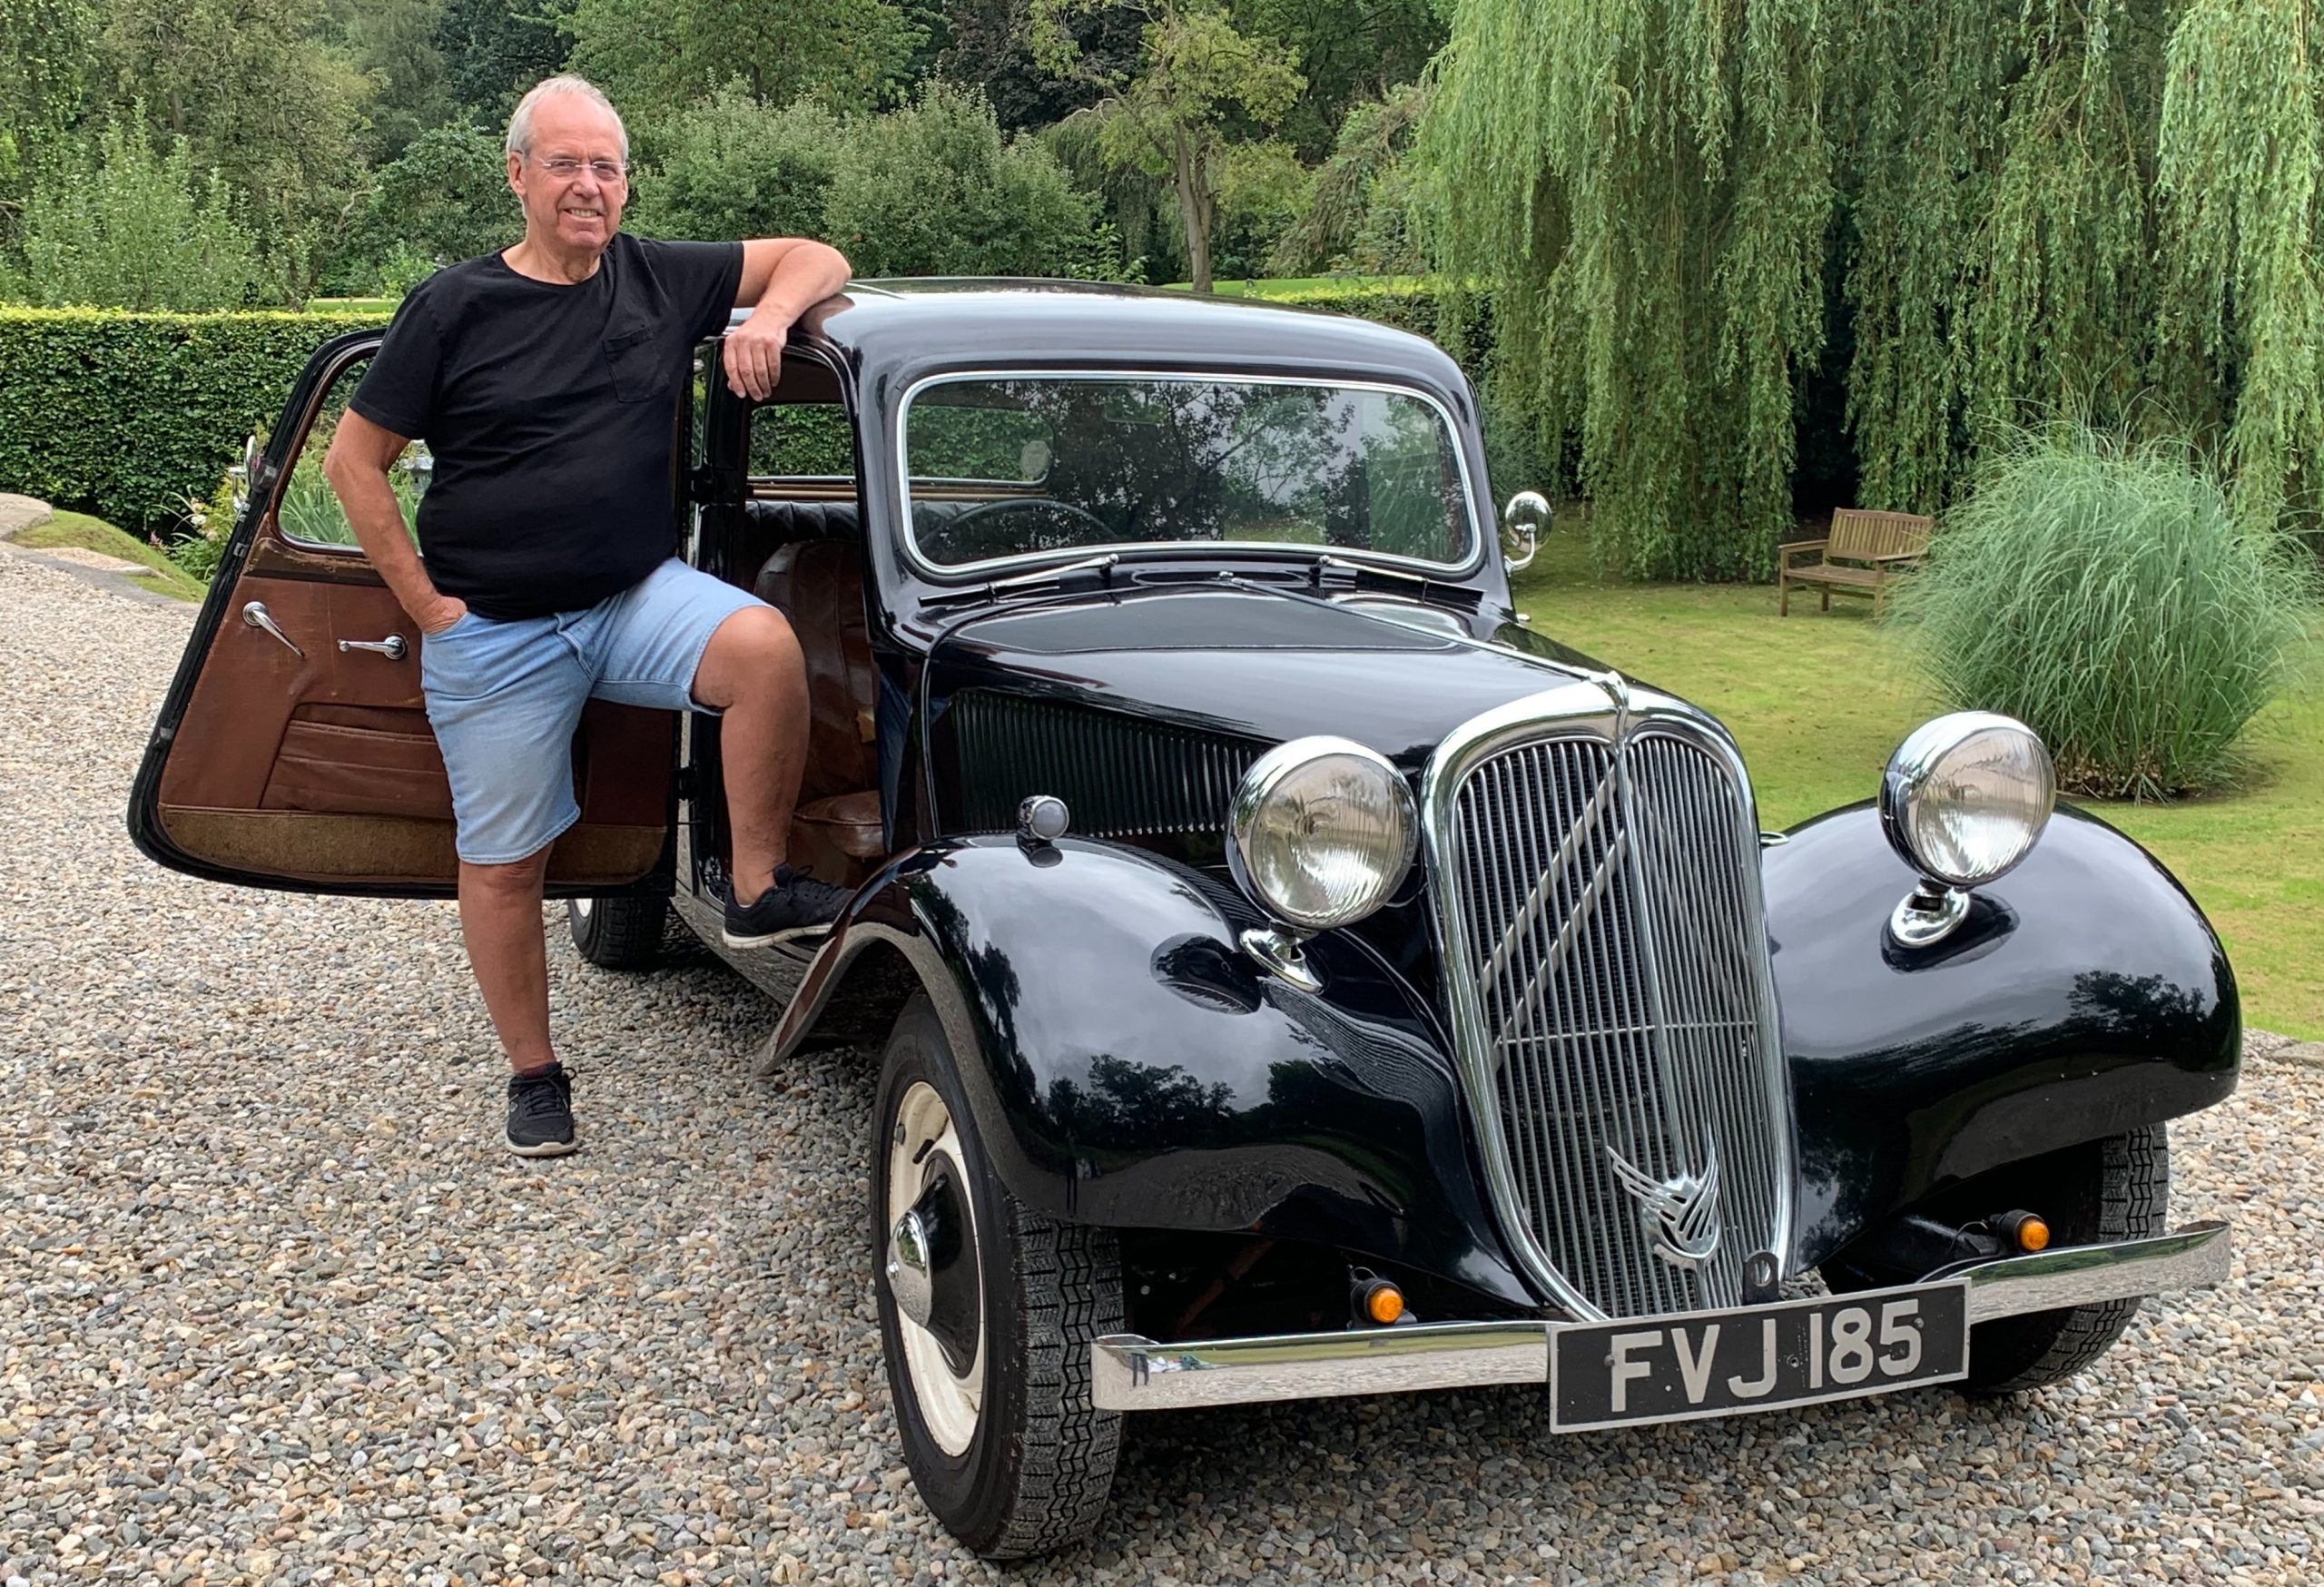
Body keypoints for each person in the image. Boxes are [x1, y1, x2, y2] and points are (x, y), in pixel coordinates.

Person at [322, 74, 852, 1158]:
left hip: (629, 597)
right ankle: (533, 1070)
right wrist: (429, 607)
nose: (587, 185)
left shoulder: (660, 276)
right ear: (517, 175)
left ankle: (752, 888)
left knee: (762, 646)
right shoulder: (455, 304)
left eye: (604, 166)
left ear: (625, 184)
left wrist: (775, 318)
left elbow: (817, 255)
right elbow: (354, 461)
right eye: (563, 163)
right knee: (508, 859)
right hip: (496, 628)